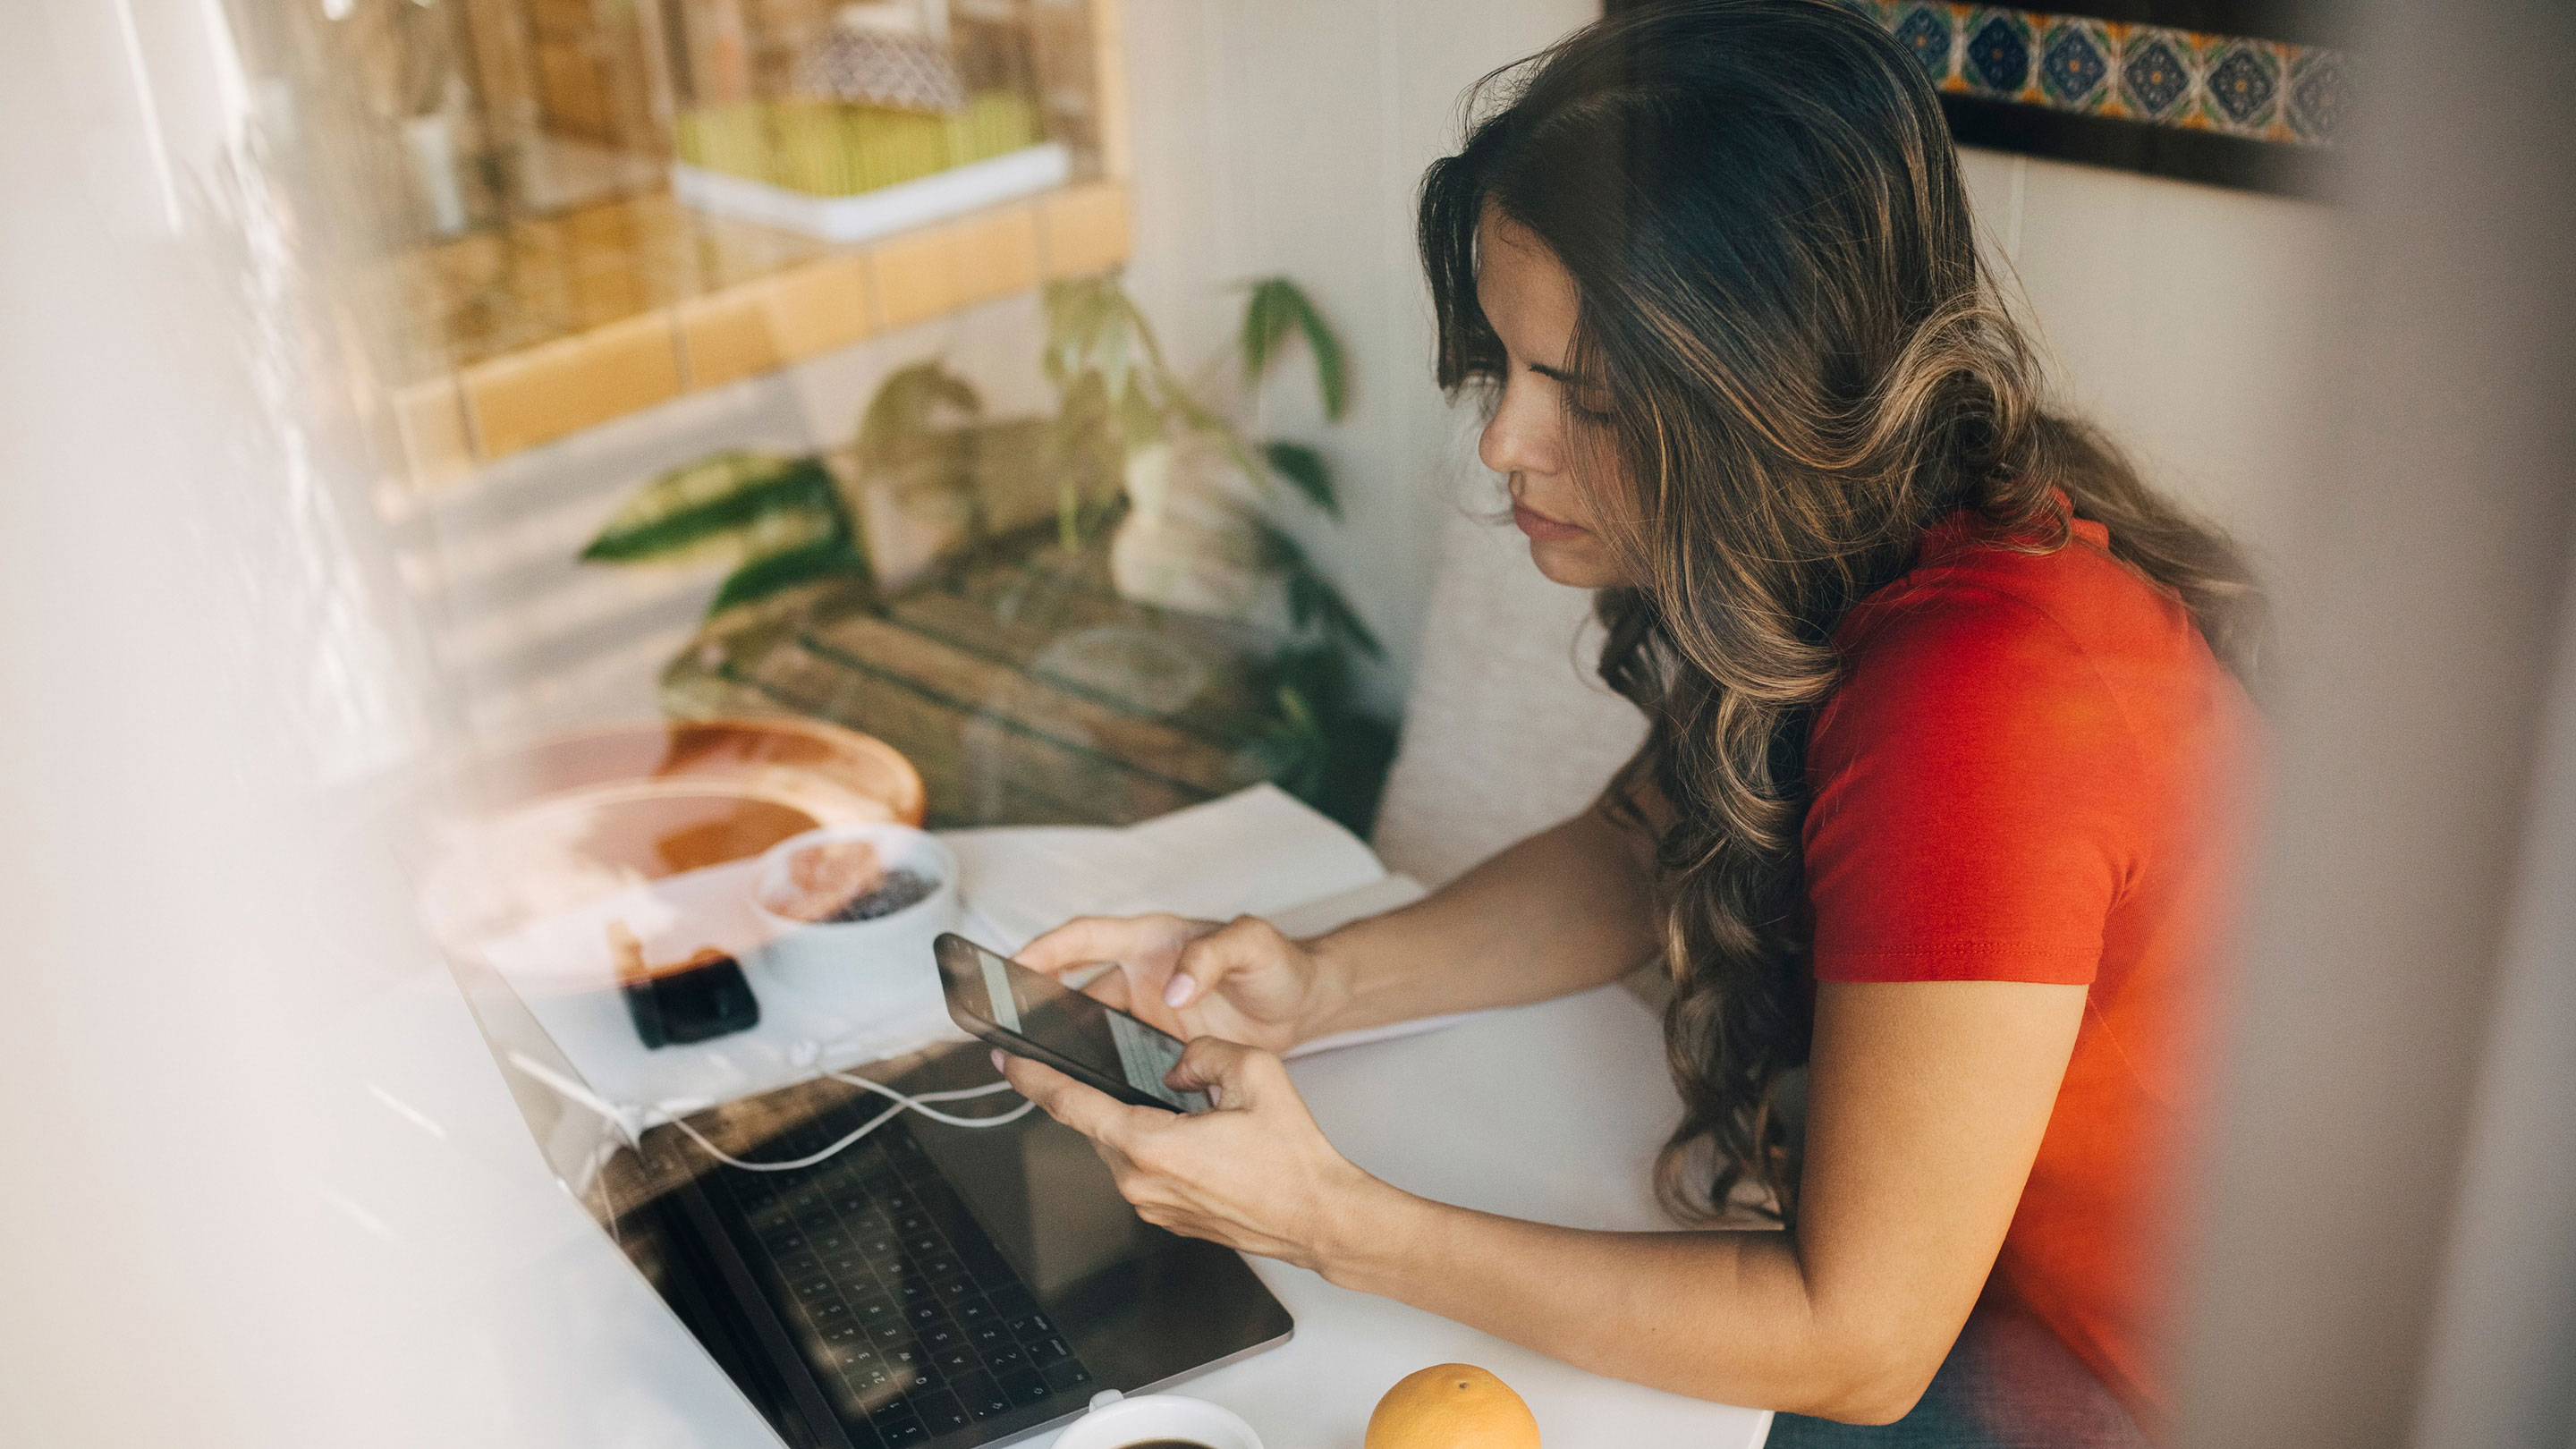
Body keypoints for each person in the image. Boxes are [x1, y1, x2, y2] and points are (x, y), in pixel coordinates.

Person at [991, 3, 2261, 1443]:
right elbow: (1646, 840)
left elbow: (1858, 1344)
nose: (1503, 443)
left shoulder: (1983, 701)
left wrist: (1336, 1223)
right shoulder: (1868, 546)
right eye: (1507, 367)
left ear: (1759, 397)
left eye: (1580, 394)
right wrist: (1320, 982)